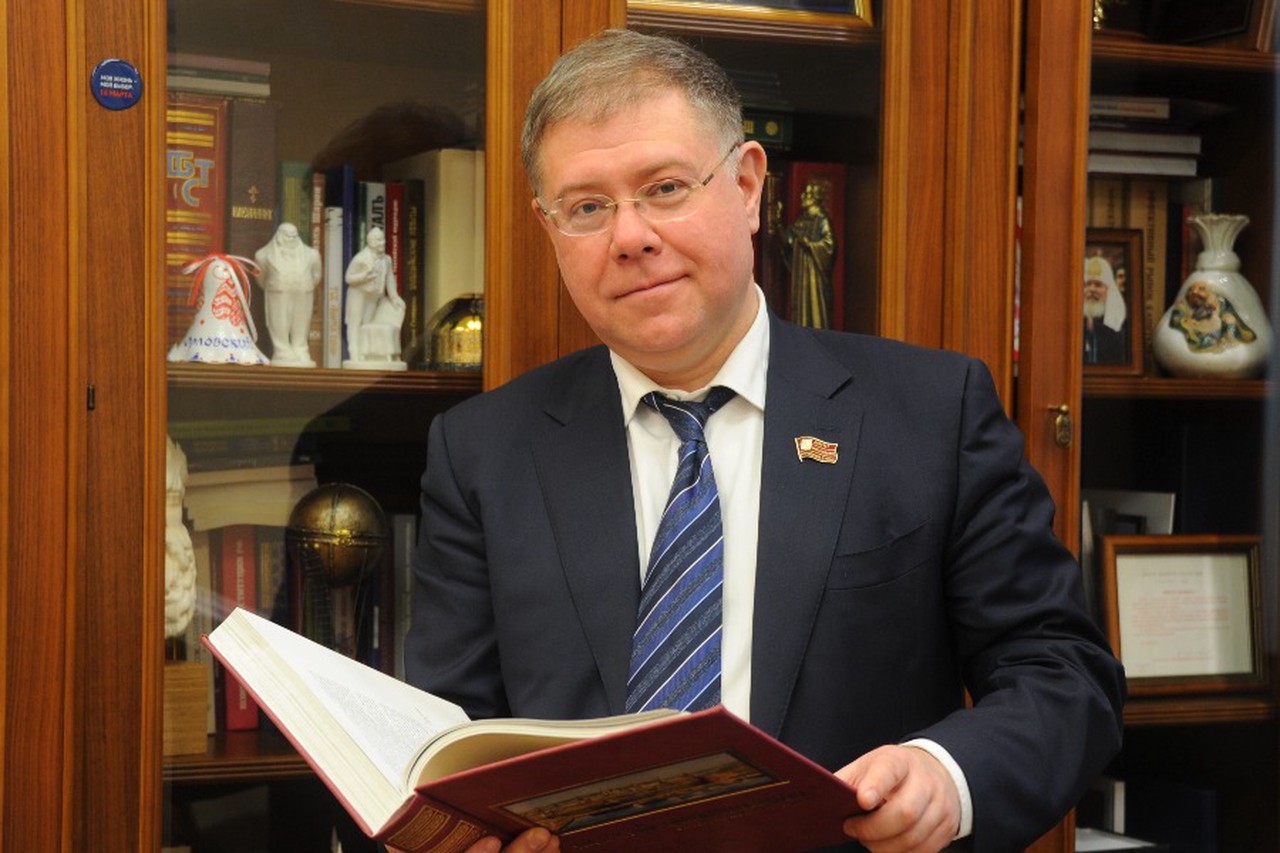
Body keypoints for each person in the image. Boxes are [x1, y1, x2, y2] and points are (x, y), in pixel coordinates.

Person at [406, 28, 1125, 853]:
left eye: (665, 188)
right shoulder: (483, 452)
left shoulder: (930, 413)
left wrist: (945, 774)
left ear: (748, 186)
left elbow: (1063, 674)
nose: (629, 236)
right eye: (588, 208)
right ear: (549, 227)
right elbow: (444, 737)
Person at [254, 222, 322, 366]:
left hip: (303, 291)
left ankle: (301, 349)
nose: (291, 239)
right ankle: (282, 350)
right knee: (279, 321)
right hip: (278, 292)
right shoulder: (263, 255)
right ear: (279, 236)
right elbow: (260, 277)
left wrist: (303, 285)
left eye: (294, 236)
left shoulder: (312, 254)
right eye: (288, 236)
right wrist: (275, 286)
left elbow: (316, 275)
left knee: (301, 322)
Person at [343, 225, 406, 368]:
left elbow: (390, 278)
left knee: (367, 323)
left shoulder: (387, 259)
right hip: (358, 294)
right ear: (370, 242)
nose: (382, 242)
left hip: (373, 295)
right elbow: (348, 278)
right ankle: (354, 351)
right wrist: (364, 277)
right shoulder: (360, 258)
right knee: (355, 322)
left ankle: (365, 351)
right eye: (378, 240)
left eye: (383, 239)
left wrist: (394, 297)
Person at [782, 175, 836, 328]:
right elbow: (788, 241)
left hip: (815, 276)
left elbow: (829, 246)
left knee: (815, 307)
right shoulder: (801, 220)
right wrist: (777, 223)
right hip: (801, 275)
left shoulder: (822, 220)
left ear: (815, 197)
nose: (802, 196)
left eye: (806, 194)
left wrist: (810, 244)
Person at [1082, 254, 1128, 365]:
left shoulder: (1118, 323)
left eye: (1098, 285)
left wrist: (1096, 327)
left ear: (1109, 290)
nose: (1092, 289)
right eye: (1088, 284)